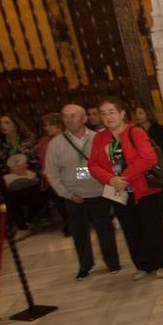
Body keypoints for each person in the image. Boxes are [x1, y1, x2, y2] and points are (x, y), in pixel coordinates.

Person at [88, 97, 163, 280]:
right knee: (130, 228)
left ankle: (161, 262)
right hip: (118, 191)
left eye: (112, 112)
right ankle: (142, 265)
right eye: (104, 113)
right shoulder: (100, 138)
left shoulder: (136, 132)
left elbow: (148, 158)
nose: (108, 117)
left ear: (122, 113)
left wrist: (123, 178)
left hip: (143, 189)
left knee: (152, 227)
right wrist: (111, 179)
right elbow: (92, 165)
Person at [46, 103, 120, 279]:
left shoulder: (98, 138)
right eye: (65, 116)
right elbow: (51, 173)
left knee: (105, 229)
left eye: (73, 116)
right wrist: (67, 194)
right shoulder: (56, 144)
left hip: (99, 192)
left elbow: (112, 163)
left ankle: (112, 262)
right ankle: (85, 265)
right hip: (74, 196)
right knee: (79, 232)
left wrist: (109, 185)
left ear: (84, 118)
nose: (68, 120)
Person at [0, 113, 45, 236]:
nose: (3, 126)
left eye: (7, 123)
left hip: (28, 171)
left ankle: (33, 220)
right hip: (9, 175)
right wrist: (10, 170)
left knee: (36, 192)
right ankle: (22, 226)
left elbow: (37, 156)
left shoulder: (28, 138)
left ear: (15, 125)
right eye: (1, 123)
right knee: (7, 194)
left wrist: (27, 166)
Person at [133, 103, 163, 220]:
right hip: (144, 164)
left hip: (158, 162)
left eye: (141, 113)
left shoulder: (159, 129)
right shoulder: (134, 131)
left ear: (148, 114)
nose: (138, 116)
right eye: (136, 113)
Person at [37, 113, 68, 230]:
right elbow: (43, 160)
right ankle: (67, 222)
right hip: (53, 177)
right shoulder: (43, 141)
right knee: (59, 201)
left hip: (69, 176)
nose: (46, 128)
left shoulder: (69, 138)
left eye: (49, 125)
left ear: (59, 125)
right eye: (45, 126)